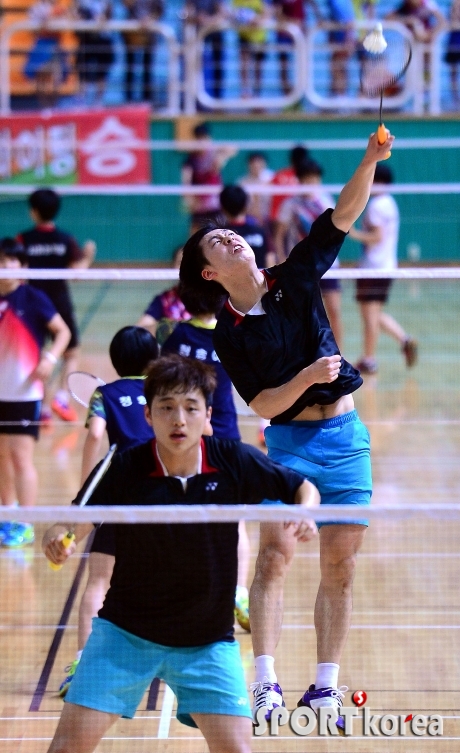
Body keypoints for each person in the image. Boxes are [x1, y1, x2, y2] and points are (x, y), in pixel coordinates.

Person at [179, 130, 395, 730]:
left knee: (341, 568)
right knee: (275, 555)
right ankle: (265, 682)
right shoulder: (229, 331)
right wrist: (304, 379)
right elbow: (263, 403)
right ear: (210, 271)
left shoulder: (295, 274)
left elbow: (343, 214)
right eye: (214, 241)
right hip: (289, 446)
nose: (228, 235)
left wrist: (369, 160)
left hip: (345, 440)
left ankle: (325, 687)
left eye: (230, 231)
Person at [42, 354, 319, 753]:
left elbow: (302, 488)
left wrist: (306, 514)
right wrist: (57, 540)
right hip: (124, 636)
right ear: (148, 416)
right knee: (66, 748)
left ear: (208, 415)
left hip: (207, 642)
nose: (179, 420)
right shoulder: (123, 466)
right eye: (166, 408)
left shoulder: (232, 460)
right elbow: (71, 524)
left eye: (191, 408)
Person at [58, 325, 159, 697]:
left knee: (98, 581)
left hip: (118, 492)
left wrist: (87, 490)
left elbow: (96, 435)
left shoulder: (104, 394)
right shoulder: (160, 389)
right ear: (154, 360)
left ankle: (83, 665)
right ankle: (154, 663)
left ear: (116, 362)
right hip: (160, 491)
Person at [160, 284, 251, 632]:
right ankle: (238, 592)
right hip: (225, 433)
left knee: (183, 513)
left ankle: (187, 591)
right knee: (236, 518)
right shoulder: (232, 335)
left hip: (181, 435)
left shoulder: (174, 336)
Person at [0, 238, 70, 548]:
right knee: (1, 457)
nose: (6, 268)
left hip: (24, 394)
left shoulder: (33, 297)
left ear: (23, 267)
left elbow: (63, 331)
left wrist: (50, 358)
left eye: (12, 262)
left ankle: (25, 522)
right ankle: (7, 514)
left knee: (21, 458)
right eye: (2, 261)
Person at [17, 188, 96, 424]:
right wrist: (89, 256)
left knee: (37, 355)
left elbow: (18, 274)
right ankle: (61, 396)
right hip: (59, 301)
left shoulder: (24, 239)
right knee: (71, 352)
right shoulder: (65, 239)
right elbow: (77, 274)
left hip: (32, 303)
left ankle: (41, 407)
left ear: (33, 212)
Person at [348, 164, 418, 374]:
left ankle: (369, 360)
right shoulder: (390, 203)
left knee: (369, 315)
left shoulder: (377, 205)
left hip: (374, 269)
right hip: (384, 267)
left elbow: (377, 237)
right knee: (374, 313)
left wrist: (353, 233)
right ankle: (404, 339)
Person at [275, 158, 343, 350]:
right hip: (300, 266)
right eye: (306, 179)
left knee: (334, 310)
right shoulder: (290, 204)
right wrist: (281, 258)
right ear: (299, 180)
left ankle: (339, 355)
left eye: (314, 179)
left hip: (328, 265)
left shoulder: (326, 200)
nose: (310, 184)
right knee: (301, 313)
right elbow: (279, 235)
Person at [181, 122, 237, 234]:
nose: (202, 142)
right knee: (194, 235)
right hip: (199, 204)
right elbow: (186, 181)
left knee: (220, 233)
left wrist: (216, 150)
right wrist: (188, 199)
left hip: (215, 204)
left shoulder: (216, 156)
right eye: (199, 139)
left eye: (205, 138)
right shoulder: (190, 160)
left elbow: (232, 149)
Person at [23, 0, 69, 109]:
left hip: (55, 44)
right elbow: (33, 28)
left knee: (56, 76)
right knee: (41, 76)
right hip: (42, 44)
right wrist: (46, 21)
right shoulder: (36, 8)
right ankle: (43, 106)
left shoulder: (60, 9)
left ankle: (53, 106)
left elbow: (65, 25)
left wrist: (55, 18)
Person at [137, 246, 191, 336]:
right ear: (173, 267)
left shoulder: (211, 300)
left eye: (190, 264)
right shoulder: (164, 300)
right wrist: (167, 328)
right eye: (180, 263)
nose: (185, 269)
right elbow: (140, 329)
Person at [73, 0, 114, 106]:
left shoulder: (106, 3)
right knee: (82, 72)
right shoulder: (82, 3)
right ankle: (81, 100)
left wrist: (103, 18)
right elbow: (75, 14)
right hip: (86, 39)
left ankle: (98, 101)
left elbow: (109, 15)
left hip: (103, 39)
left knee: (102, 73)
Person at [122, 0, 164, 104]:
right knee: (130, 67)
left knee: (147, 67)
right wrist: (138, 20)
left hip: (149, 34)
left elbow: (160, 10)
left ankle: (146, 99)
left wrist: (150, 19)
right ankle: (129, 99)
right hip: (131, 33)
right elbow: (126, 4)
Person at [184, 1, 228, 100]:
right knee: (193, 65)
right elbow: (185, 13)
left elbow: (223, 13)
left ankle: (218, 98)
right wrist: (196, 18)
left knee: (218, 65)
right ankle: (193, 99)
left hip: (215, 32)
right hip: (197, 34)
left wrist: (209, 20)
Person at [220, 185, 270, 268]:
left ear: (222, 207)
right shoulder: (260, 231)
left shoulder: (220, 237)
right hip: (261, 279)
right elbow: (270, 260)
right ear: (245, 206)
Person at [231, 0, 269, 98]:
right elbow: (233, 15)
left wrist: (258, 20)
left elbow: (268, 12)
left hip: (260, 37)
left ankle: (257, 95)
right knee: (244, 66)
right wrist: (246, 20)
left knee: (258, 68)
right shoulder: (237, 1)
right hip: (244, 37)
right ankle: (245, 93)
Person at [238, 151, 274, 229]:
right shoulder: (242, 182)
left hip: (272, 218)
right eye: (253, 163)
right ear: (248, 165)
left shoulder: (273, 178)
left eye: (259, 162)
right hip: (251, 218)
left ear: (264, 163)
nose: (256, 165)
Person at [444, 0, 460, 106]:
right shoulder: (454, 3)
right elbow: (450, 22)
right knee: (453, 72)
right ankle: (455, 99)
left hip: (455, 41)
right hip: (453, 42)